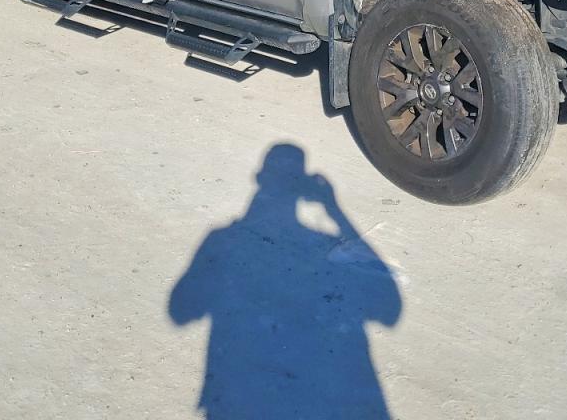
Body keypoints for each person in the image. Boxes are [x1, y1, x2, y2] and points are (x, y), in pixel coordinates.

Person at [169, 144, 402, 419]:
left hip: (243, 398)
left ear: (259, 179)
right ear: (304, 191)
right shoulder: (325, 249)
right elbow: (390, 310)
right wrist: (334, 209)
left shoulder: (221, 241)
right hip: (329, 399)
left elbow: (180, 311)